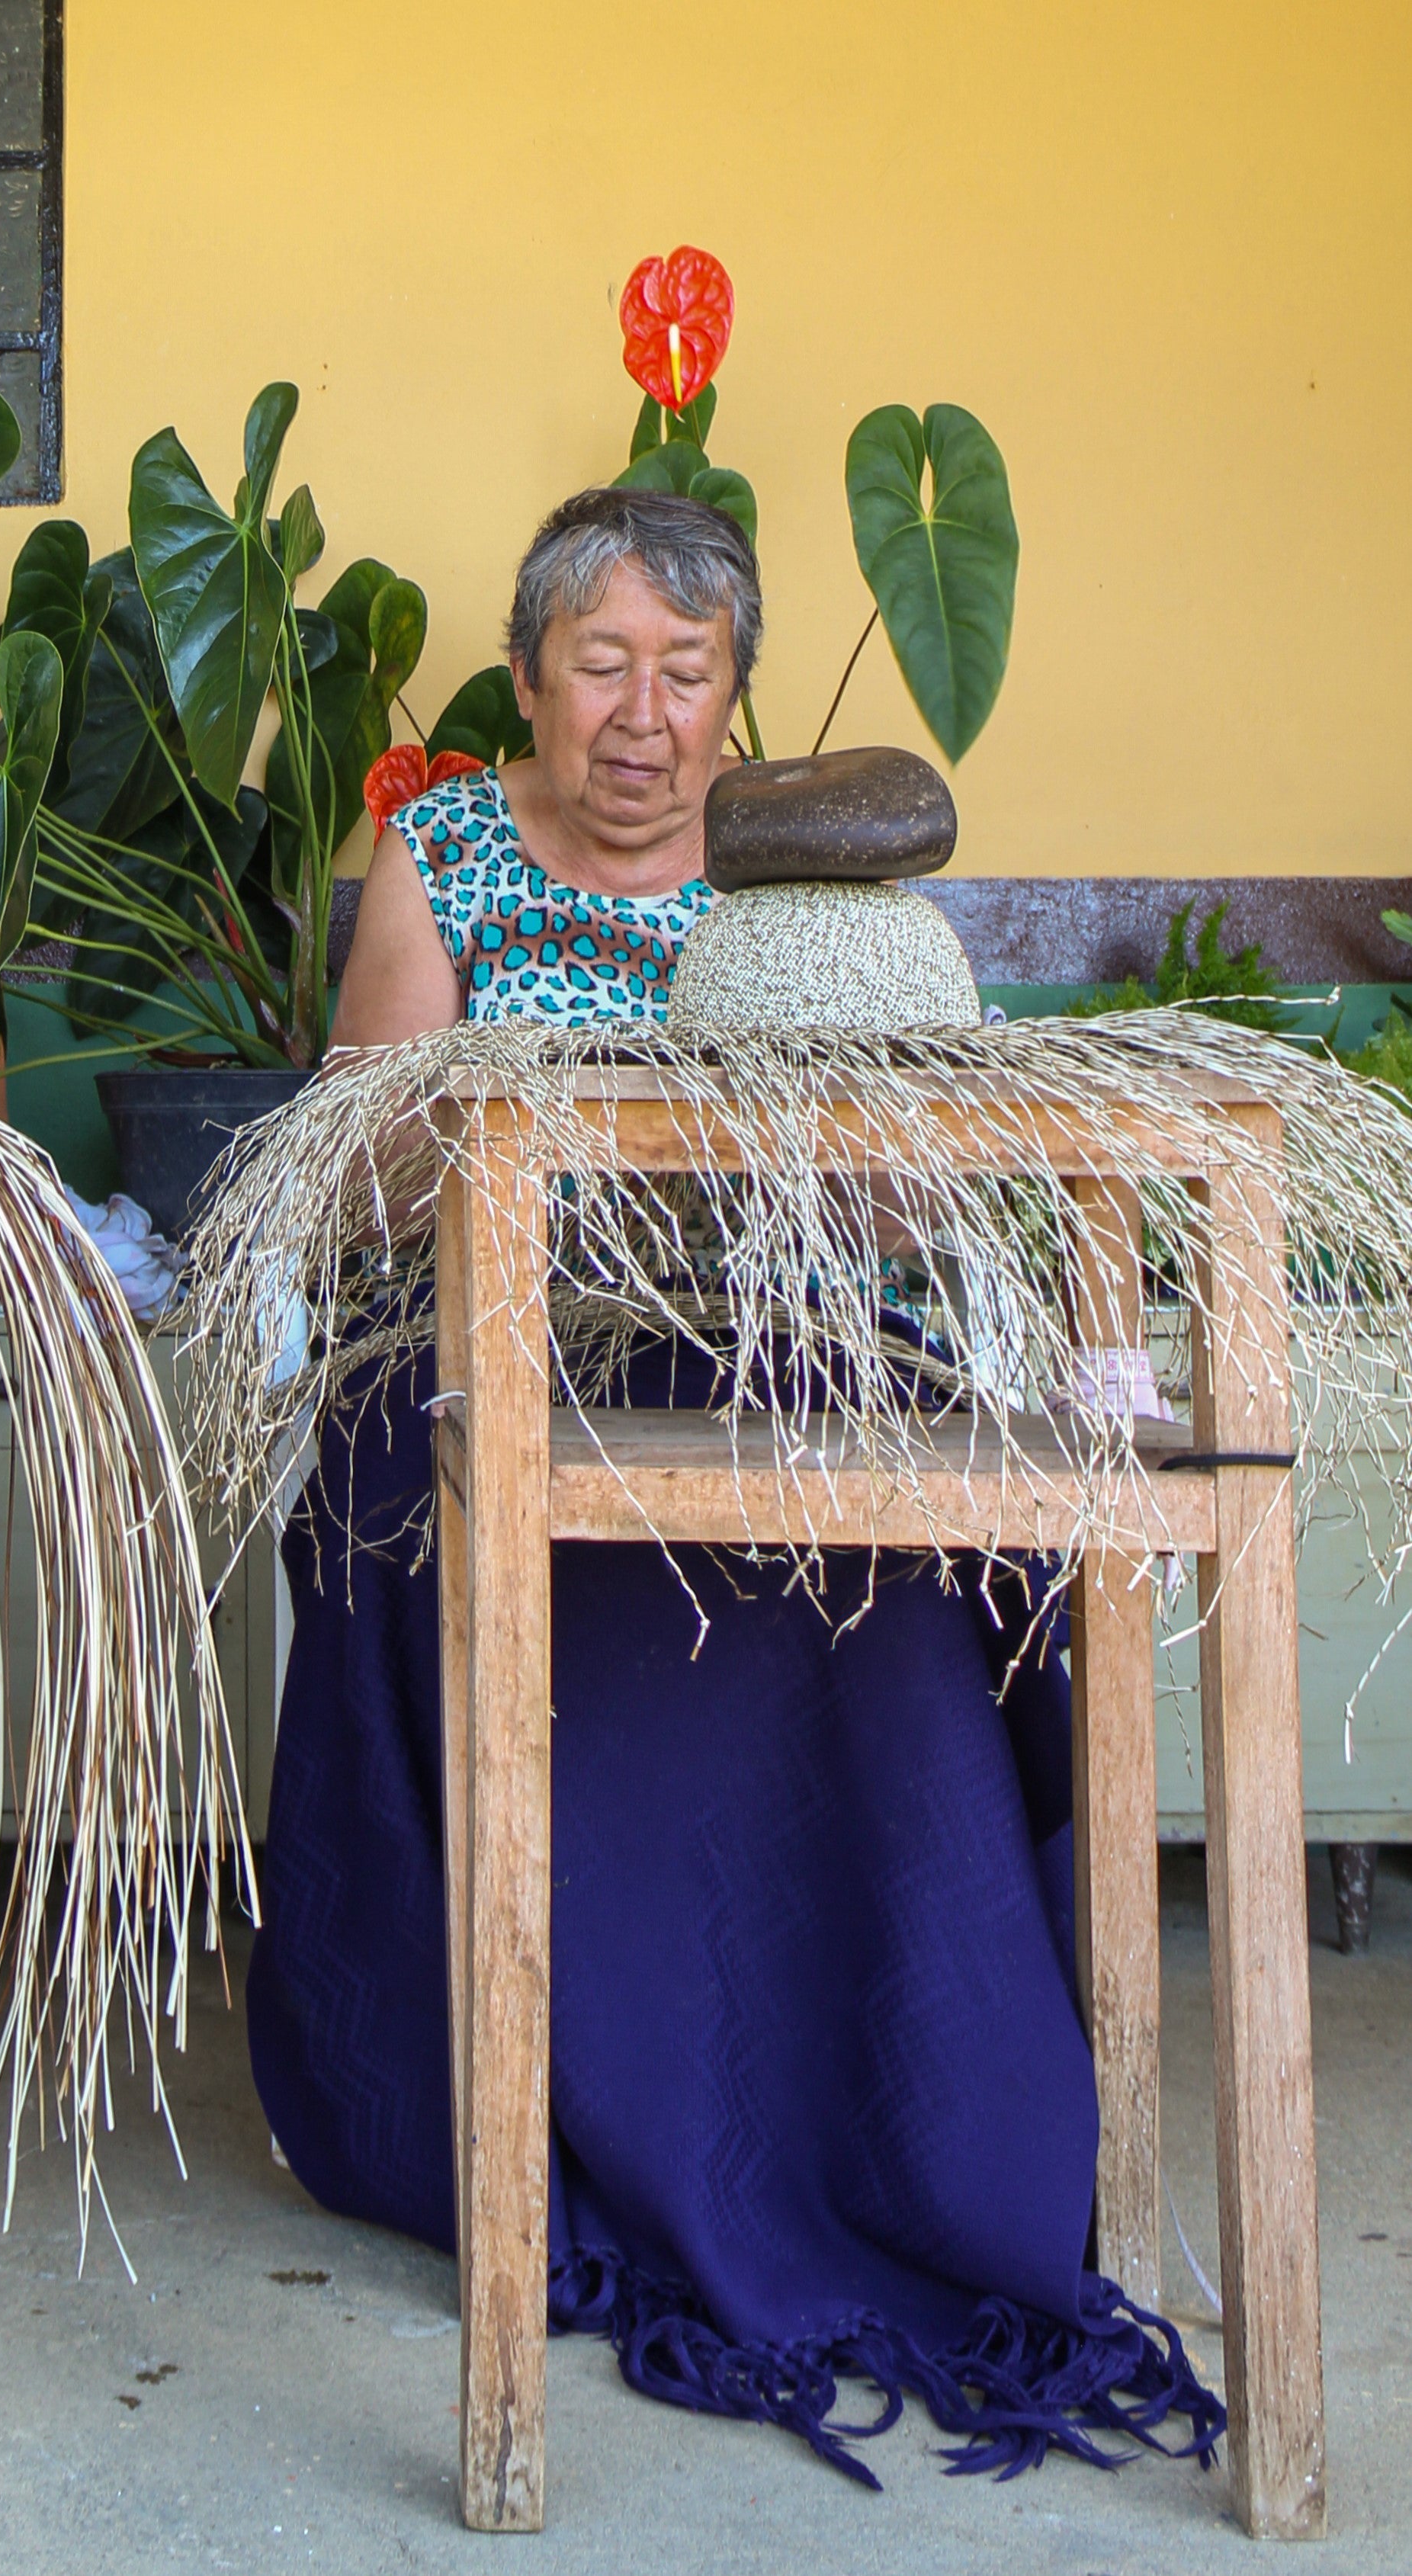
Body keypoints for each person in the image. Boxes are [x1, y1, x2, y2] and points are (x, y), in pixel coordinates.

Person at [245, 487, 1223, 2481]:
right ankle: (613, 2099)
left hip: (777, 1341)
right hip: (498, 1350)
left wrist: (807, 1171)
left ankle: (904, 2104)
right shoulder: (434, 855)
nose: (639, 714)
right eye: (598, 664)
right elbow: (350, 1171)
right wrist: (566, 1138)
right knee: (434, 1479)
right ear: (523, 680)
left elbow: (895, 1177)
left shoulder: (805, 900)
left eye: (683, 673)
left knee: (872, 1521)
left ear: (732, 698)